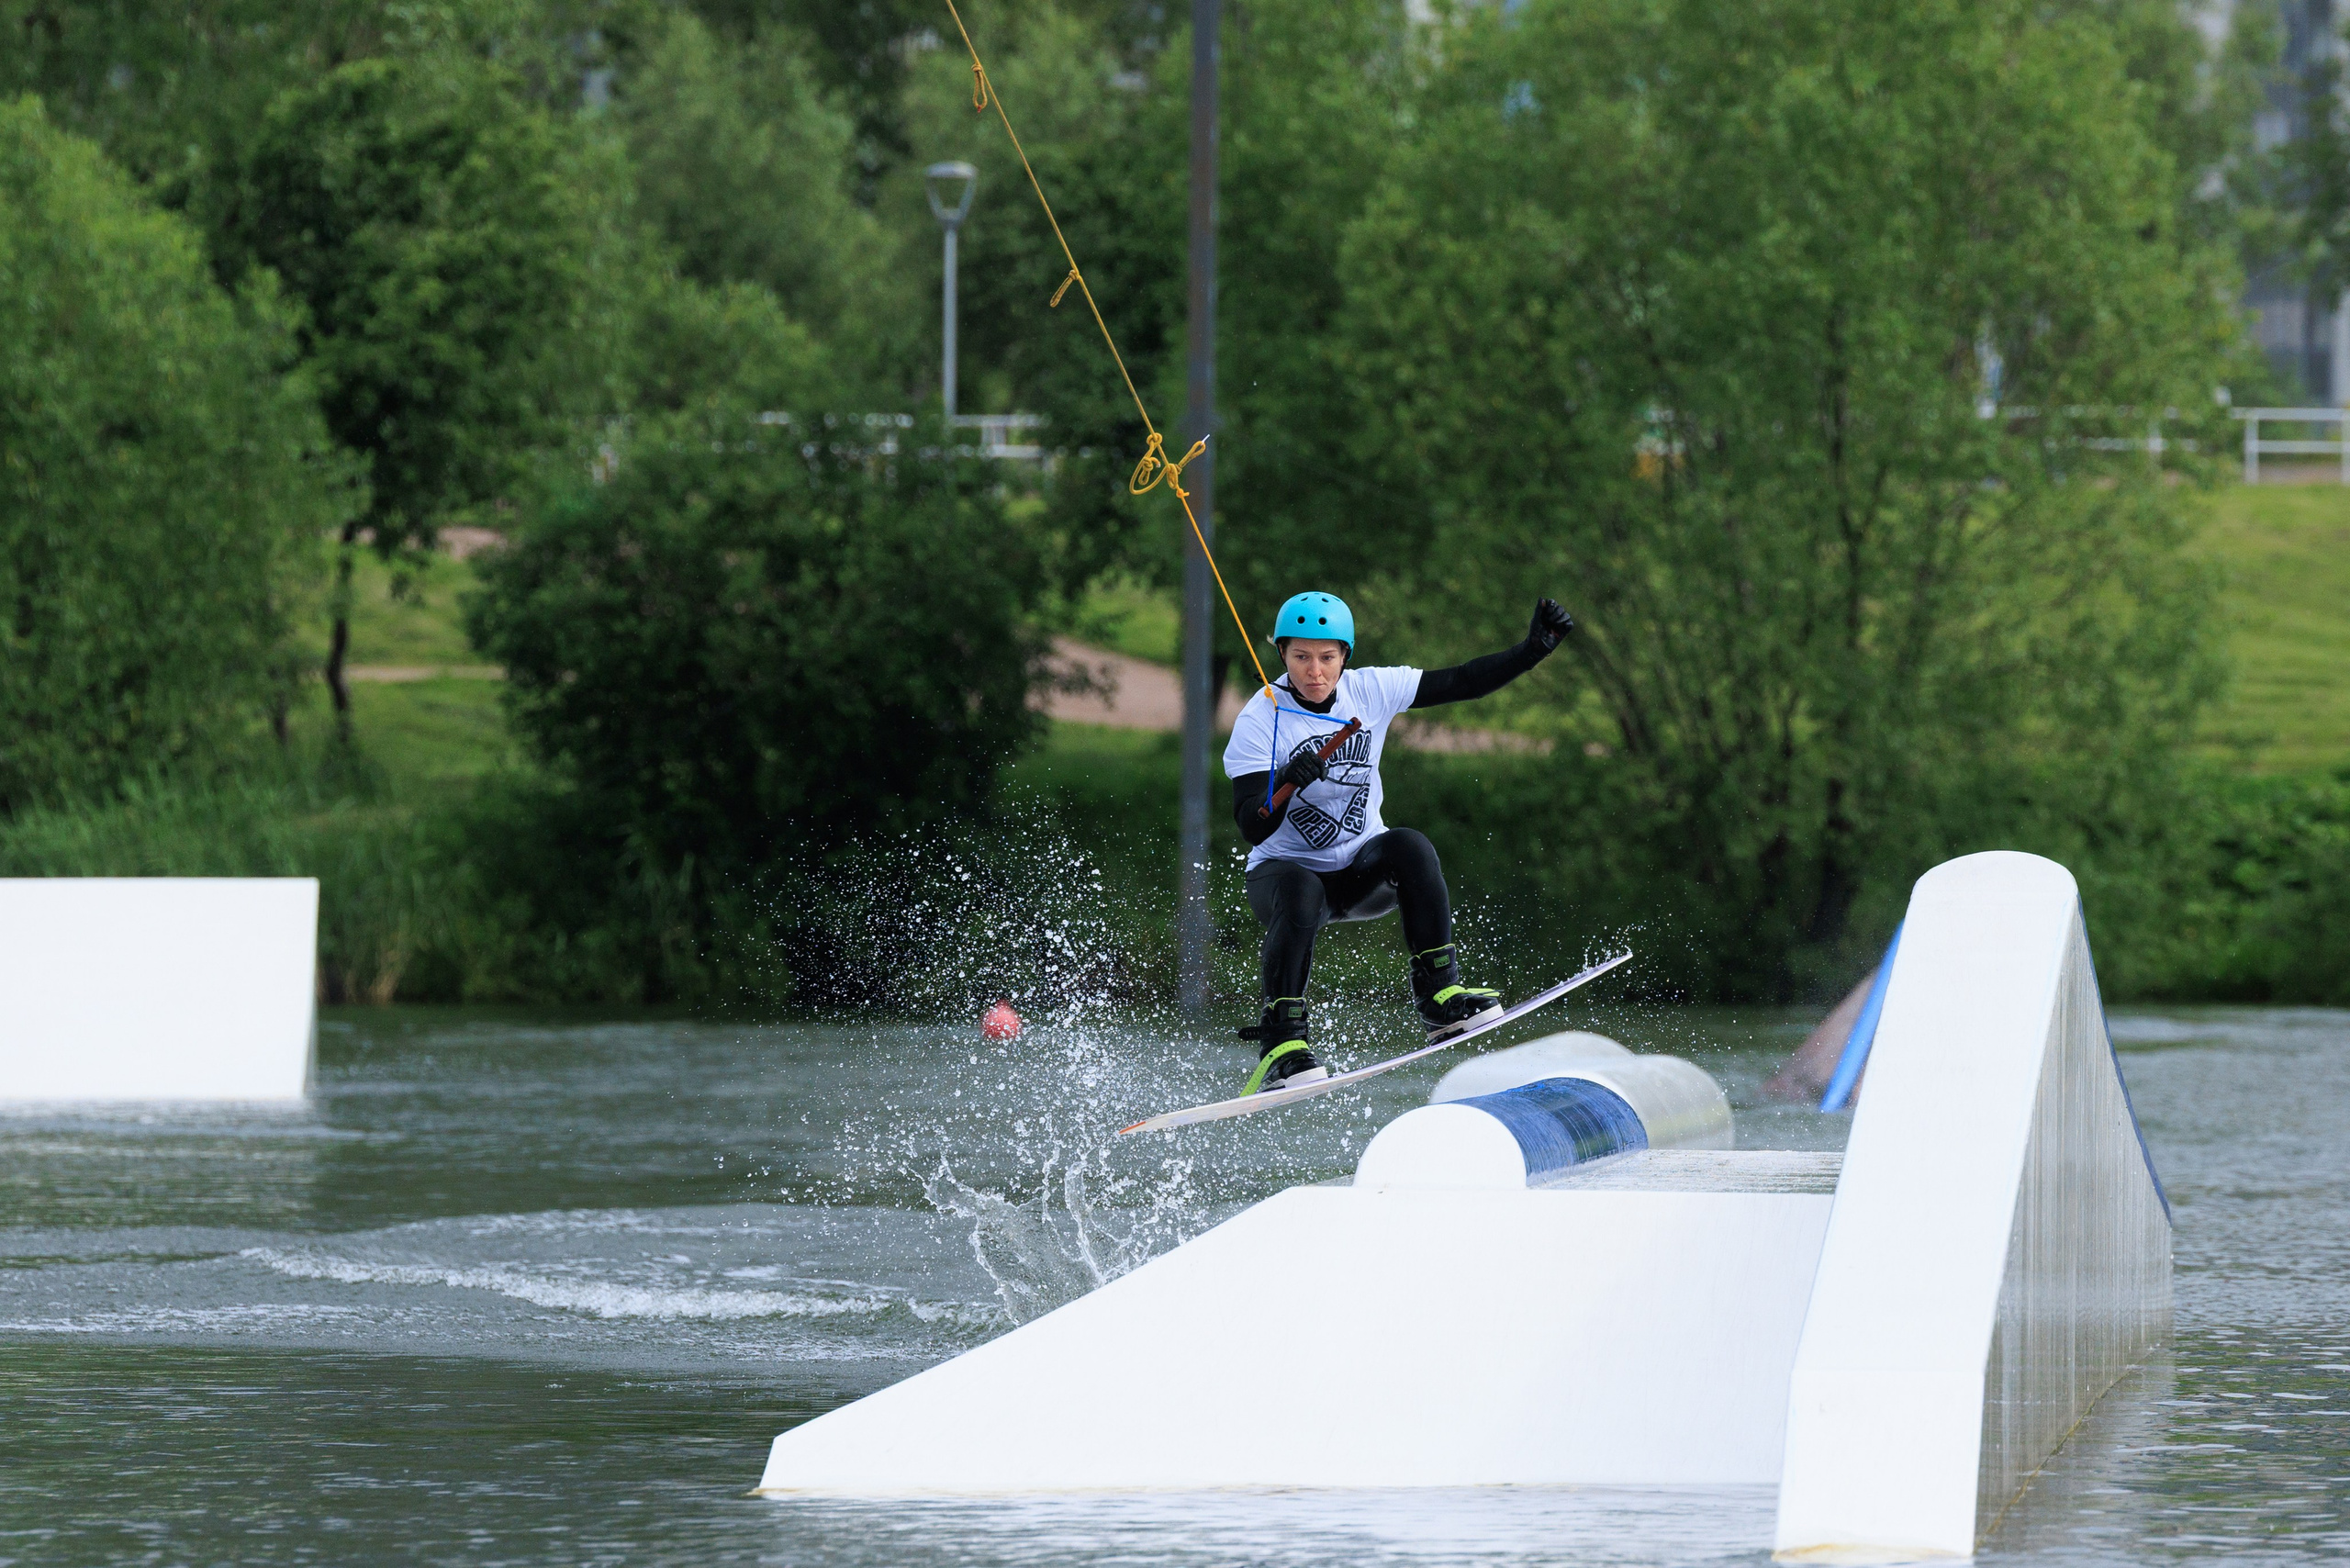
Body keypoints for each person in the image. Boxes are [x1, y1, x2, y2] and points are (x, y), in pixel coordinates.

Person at [1222, 590, 1575, 1094]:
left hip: (1359, 874)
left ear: (1346, 656)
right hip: (1283, 878)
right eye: (1300, 656)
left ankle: (1439, 1000)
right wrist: (1285, 783)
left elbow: (1464, 681)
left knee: (1409, 845)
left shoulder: (1371, 690)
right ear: (1282, 654)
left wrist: (1533, 649)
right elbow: (1251, 826)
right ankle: (1282, 1045)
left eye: (1327, 658)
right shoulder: (1260, 719)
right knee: (1300, 888)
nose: (1314, 672)